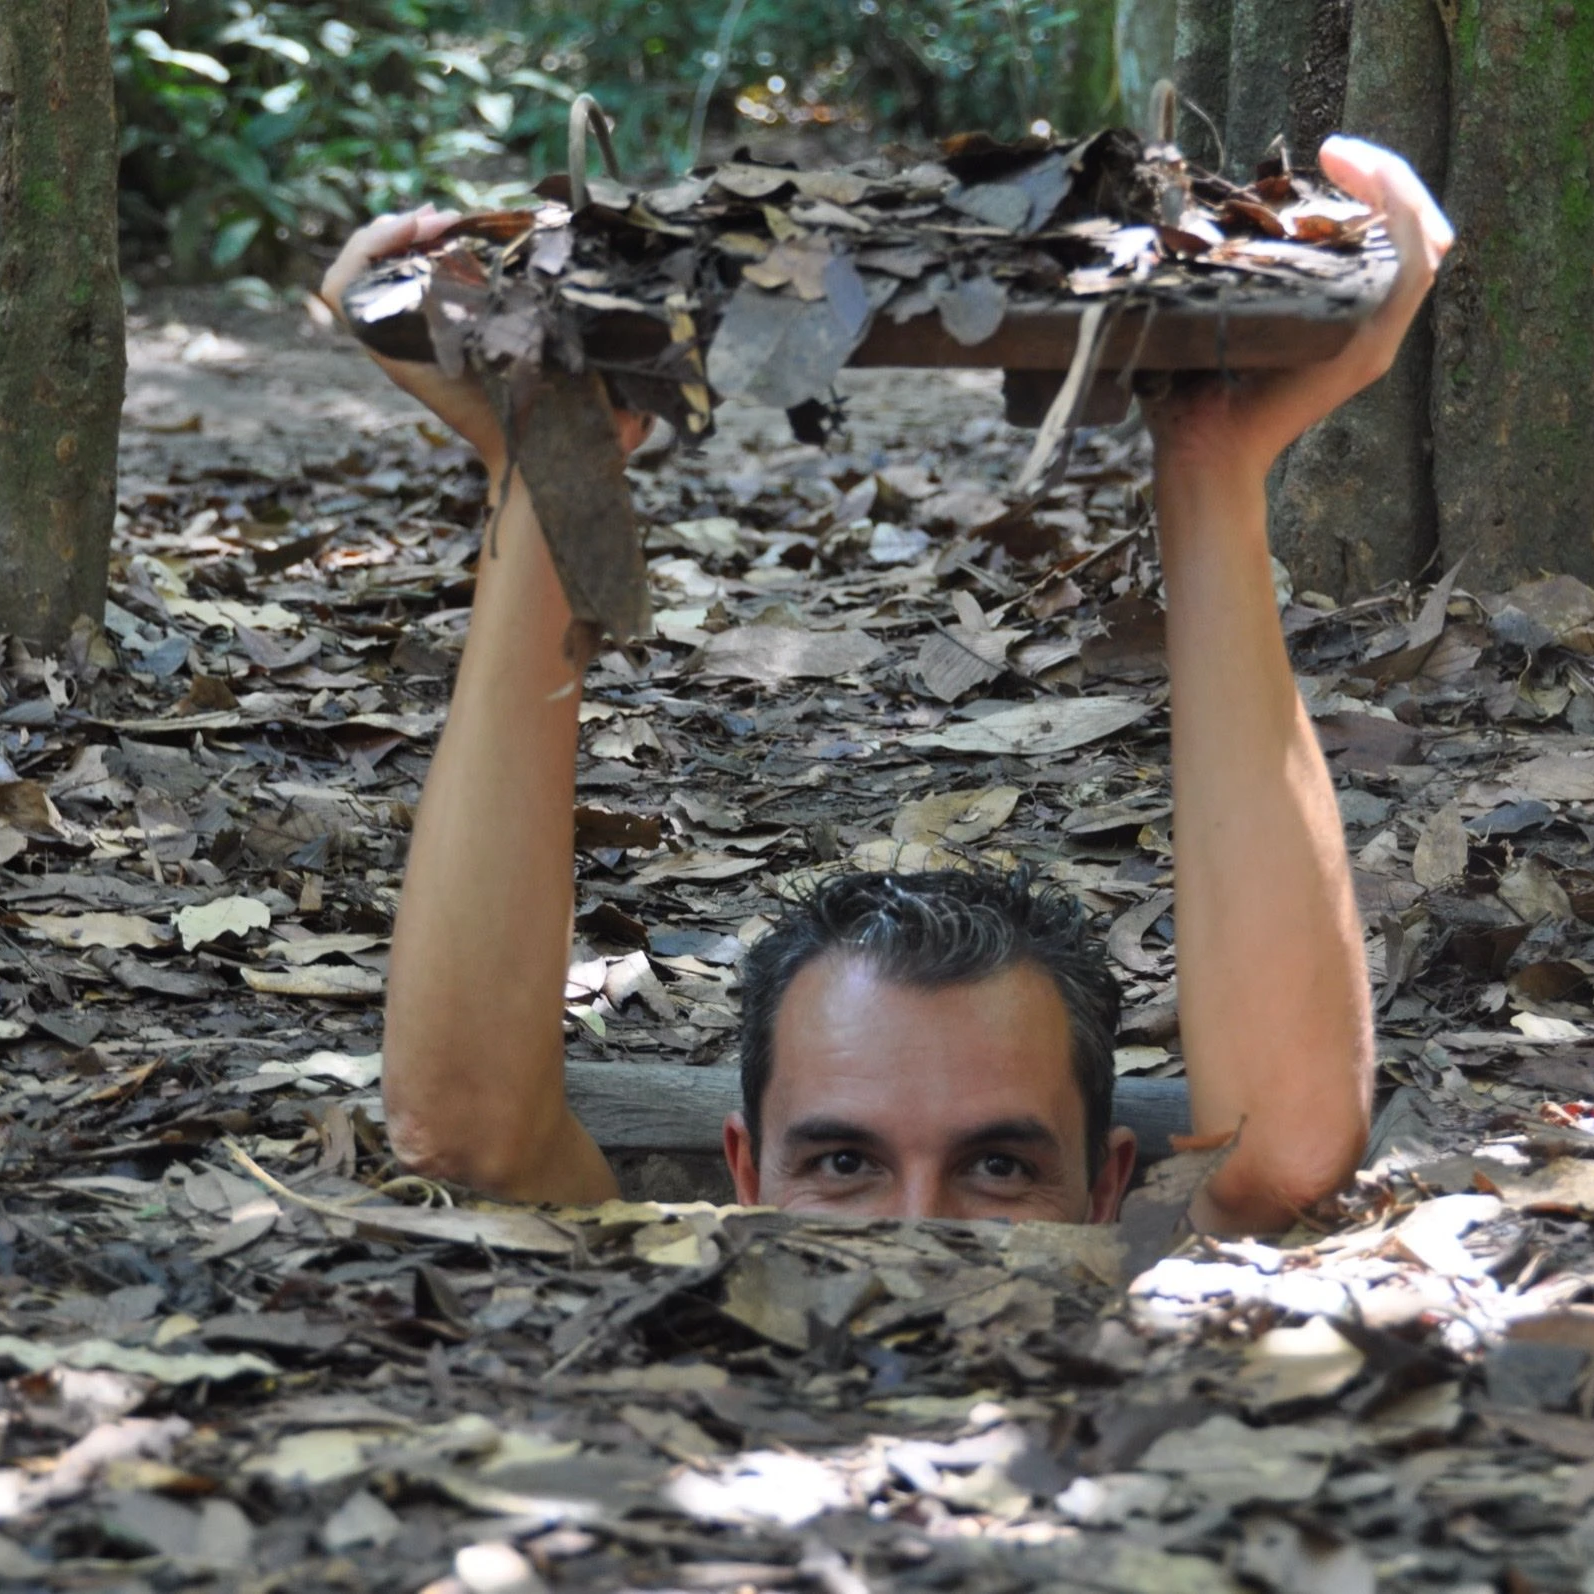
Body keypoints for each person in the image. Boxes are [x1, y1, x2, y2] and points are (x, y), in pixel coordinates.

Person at [319, 136, 1453, 1232]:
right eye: (844, 1160)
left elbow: (1288, 1156)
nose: (917, 1230)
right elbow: (466, 1137)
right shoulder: (681, 1290)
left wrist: (1211, 465)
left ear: (1109, 1191)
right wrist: (544, 470)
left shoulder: (1138, 1271)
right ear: (744, 1172)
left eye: (1001, 1164)